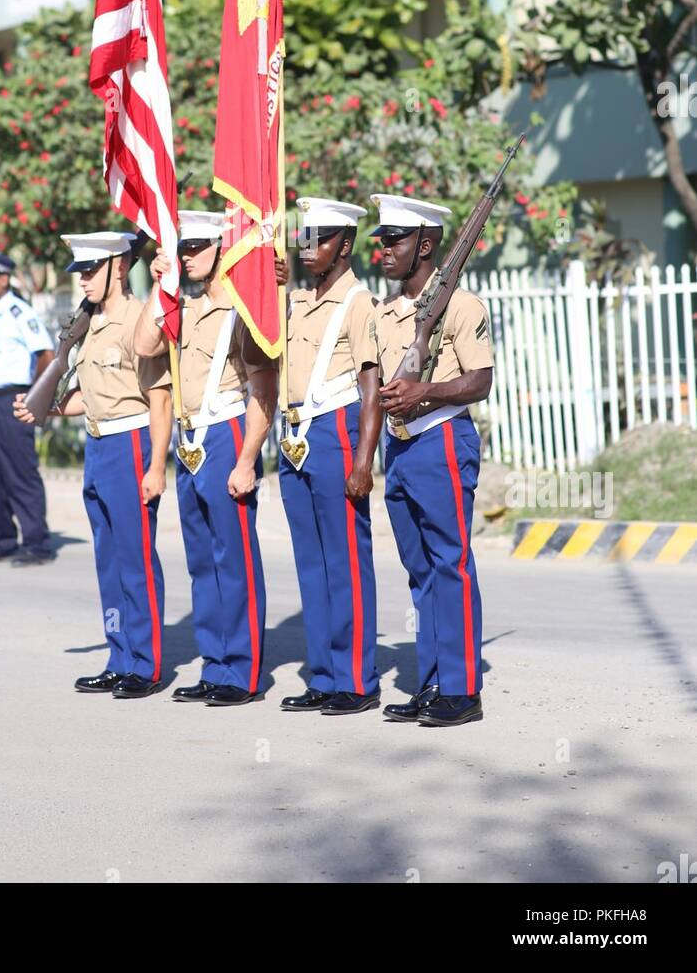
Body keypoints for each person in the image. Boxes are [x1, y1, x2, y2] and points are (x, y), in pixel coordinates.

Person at [15, 231, 172, 698]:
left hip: (131, 443)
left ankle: (144, 665)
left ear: (119, 267)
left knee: (136, 559)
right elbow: (90, 396)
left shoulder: (139, 323)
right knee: (108, 561)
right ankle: (118, 655)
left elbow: (160, 401)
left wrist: (157, 466)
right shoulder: (91, 325)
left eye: (90, 271)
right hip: (99, 446)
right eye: (78, 272)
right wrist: (44, 407)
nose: (82, 280)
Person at [135, 211, 277, 707]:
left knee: (233, 557)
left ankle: (242, 671)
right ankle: (215, 663)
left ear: (221, 249)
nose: (187, 257)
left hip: (226, 431)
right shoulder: (186, 308)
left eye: (195, 247)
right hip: (190, 437)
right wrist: (159, 282)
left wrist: (247, 459)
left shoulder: (243, 310)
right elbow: (143, 343)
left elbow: (264, 389)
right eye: (182, 249)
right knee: (201, 560)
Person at [371, 194, 494, 728]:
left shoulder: (463, 306)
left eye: (393, 240)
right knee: (419, 569)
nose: (383, 250)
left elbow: (481, 381)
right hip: (398, 448)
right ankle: (433, 680)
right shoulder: (386, 311)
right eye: (380, 240)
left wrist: (427, 391)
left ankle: (463, 689)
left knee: (450, 563)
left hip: (441, 439)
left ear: (425, 245)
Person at [275, 198, 382, 715]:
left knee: (344, 562)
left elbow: (371, 386)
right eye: (304, 238)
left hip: (336, 430)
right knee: (311, 564)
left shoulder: (358, 302)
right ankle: (323, 674)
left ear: (345, 244)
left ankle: (357, 679)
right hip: (295, 433)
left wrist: (364, 461)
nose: (307, 247)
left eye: (317, 238)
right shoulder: (295, 300)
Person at [0, 250, 54, 566]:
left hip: (16, 397)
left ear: (3, 279)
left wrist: (35, 398)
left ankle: (36, 542)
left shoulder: (19, 312)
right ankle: (2, 538)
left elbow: (45, 356)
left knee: (20, 472)